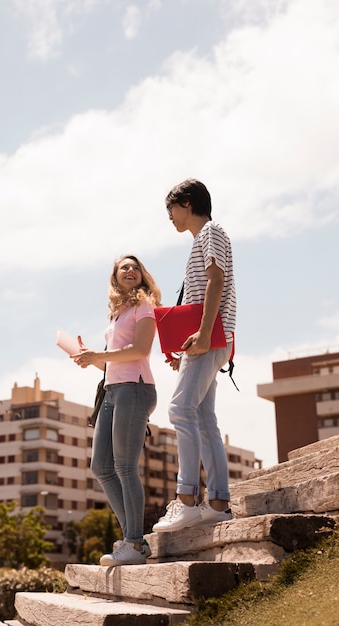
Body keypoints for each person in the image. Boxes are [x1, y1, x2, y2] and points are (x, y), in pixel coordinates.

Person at [152, 178, 236, 533]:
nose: (169, 216)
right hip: (212, 338)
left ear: (186, 203)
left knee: (180, 409)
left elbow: (215, 280)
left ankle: (187, 499)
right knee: (202, 417)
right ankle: (217, 502)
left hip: (210, 336)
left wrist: (202, 333)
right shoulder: (204, 238)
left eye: (170, 208)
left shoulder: (211, 232)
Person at [72, 254, 161, 565]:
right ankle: (132, 539)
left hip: (135, 389)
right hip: (112, 391)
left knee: (124, 468)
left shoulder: (144, 306)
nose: (131, 270)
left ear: (142, 275)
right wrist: (89, 357)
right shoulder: (116, 314)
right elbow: (111, 362)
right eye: (125, 267)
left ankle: (134, 544)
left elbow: (140, 350)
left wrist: (102, 354)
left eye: (135, 267)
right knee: (101, 467)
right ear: (115, 276)